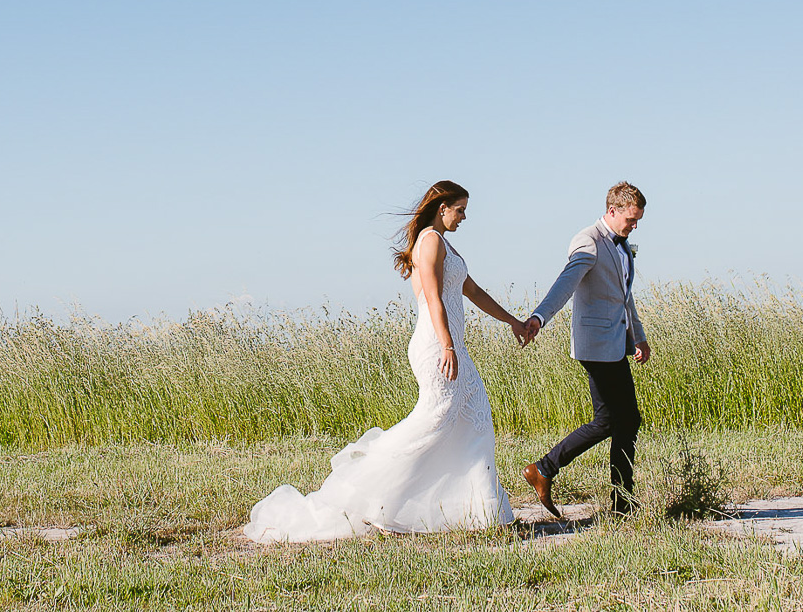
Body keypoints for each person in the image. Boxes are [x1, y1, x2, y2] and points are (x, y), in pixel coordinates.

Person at [244, 181, 531, 541]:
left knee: (474, 418)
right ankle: (374, 498)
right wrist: (447, 345)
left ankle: (481, 511)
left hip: (451, 344)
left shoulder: (445, 244)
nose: (464, 216)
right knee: (435, 419)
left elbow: (472, 292)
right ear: (442, 208)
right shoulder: (430, 241)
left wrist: (513, 322)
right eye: (460, 209)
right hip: (437, 346)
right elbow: (432, 297)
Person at [517, 182, 649, 516]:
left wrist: (638, 335)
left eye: (638, 221)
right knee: (613, 421)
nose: (634, 226)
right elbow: (567, 282)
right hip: (595, 346)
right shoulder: (588, 240)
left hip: (616, 343)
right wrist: (539, 316)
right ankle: (545, 468)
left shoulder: (622, 246)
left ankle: (621, 503)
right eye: (631, 220)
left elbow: (624, 295)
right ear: (612, 211)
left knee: (626, 420)